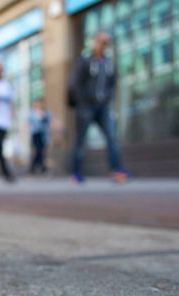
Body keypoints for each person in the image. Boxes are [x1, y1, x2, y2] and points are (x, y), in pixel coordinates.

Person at [69, 32, 128, 183]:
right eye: (100, 41)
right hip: (86, 107)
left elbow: (113, 83)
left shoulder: (109, 63)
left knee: (112, 137)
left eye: (106, 42)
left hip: (103, 107)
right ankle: (76, 173)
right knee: (81, 141)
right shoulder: (85, 61)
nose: (103, 45)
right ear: (95, 43)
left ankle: (117, 170)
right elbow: (75, 84)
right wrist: (82, 102)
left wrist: (108, 98)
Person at [28, 98, 51, 174]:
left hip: (43, 134)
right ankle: (42, 167)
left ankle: (34, 167)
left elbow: (49, 121)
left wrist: (43, 115)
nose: (39, 105)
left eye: (40, 103)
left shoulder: (46, 113)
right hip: (35, 134)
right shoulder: (32, 113)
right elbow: (28, 123)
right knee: (38, 150)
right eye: (37, 103)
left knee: (41, 151)